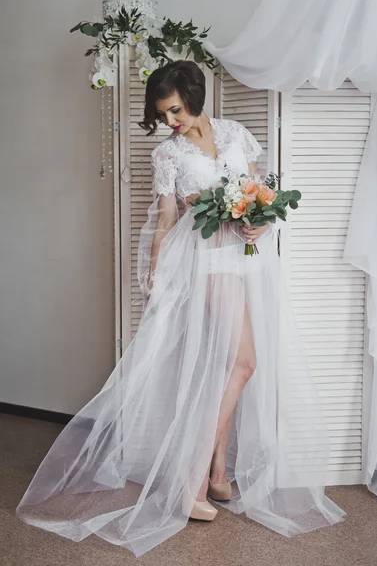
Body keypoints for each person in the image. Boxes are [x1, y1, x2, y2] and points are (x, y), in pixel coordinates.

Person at [16, 60, 346, 558]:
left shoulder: (236, 133)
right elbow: (167, 215)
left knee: (229, 366)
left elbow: (258, 191)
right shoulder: (168, 153)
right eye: (162, 114)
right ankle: (192, 481)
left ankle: (217, 474)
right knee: (242, 363)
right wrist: (155, 270)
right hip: (206, 260)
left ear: (194, 96)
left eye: (174, 110)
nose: (170, 121)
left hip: (248, 259)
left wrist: (262, 223)